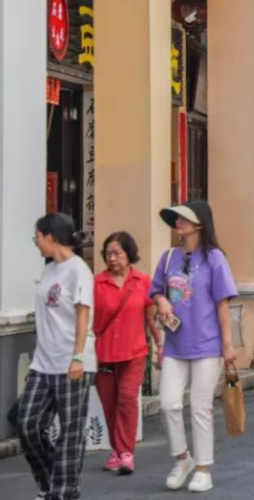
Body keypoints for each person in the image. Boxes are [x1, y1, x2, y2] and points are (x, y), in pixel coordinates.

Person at [152, 200, 238, 494]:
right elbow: (156, 291)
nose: (178, 222)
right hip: (175, 345)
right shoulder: (168, 258)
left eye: (184, 217)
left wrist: (227, 344)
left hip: (207, 345)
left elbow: (222, 304)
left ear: (200, 223)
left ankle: (203, 469)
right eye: (176, 218)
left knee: (201, 408)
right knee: (168, 404)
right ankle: (182, 459)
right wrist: (162, 301)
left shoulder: (214, 258)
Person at [19, 213, 96, 500]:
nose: (35, 242)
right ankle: (50, 481)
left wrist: (78, 357)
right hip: (43, 363)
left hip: (72, 362)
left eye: (37, 236)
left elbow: (83, 314)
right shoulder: (49, 269)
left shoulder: (79, 270)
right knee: (28, 424)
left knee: (70, 431)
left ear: (50, 237)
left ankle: (64, 493)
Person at [93, 231, 161, 476]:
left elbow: (151, 318)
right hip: (104, 354)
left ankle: (125, 453)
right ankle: (117, 450)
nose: (112, 258)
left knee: (127, 397)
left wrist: (161, 345)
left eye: (117, 253)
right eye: (108, 254)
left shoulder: (142, 281)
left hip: (134, 352)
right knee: (109, 403)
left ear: (129, 254)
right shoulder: (96, 283)